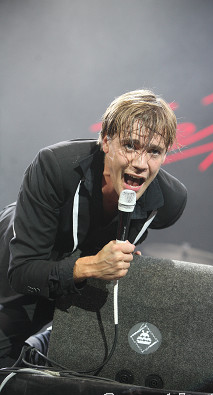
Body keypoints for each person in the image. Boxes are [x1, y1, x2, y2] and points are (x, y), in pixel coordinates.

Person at [0, 89, 187, 367]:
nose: (140, 164)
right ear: (106, 141)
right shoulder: (56, 166)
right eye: (131, 146)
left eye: (154, 152)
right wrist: (90, 267)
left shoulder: (168, 203)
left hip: (74, 286)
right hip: (14, 270)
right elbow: (23, 272)